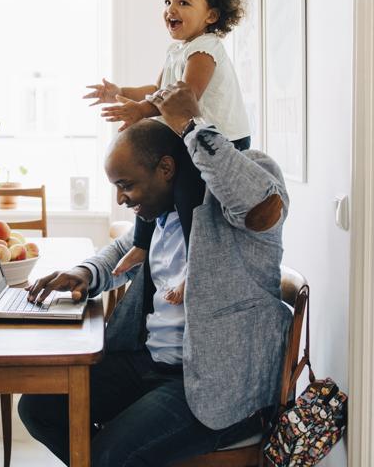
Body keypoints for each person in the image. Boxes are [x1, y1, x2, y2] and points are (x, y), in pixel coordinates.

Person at [19, 81, 290, 466]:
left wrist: (190, 123)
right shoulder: (162, 211)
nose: (121, 199)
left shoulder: (245, 180)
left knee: (110, 455)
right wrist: (84, 272)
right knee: (38, 407)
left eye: (126, 185)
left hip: (211, 386)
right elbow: (122, 249)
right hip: (146, 363)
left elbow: (259, 205)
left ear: (166, 169)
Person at [84, 0, 253, 304]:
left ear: (212, 15)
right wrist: (121, 91)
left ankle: (195, 268)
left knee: (188, 194)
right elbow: (158, 89)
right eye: (167, 1)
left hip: (221, 141)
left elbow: (183, 98)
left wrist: (141, 111)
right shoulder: (176, 50)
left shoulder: (205, 50)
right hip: (188, 135)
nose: (171, 10)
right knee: (154, 186)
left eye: (184, 3)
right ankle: (141, 246)